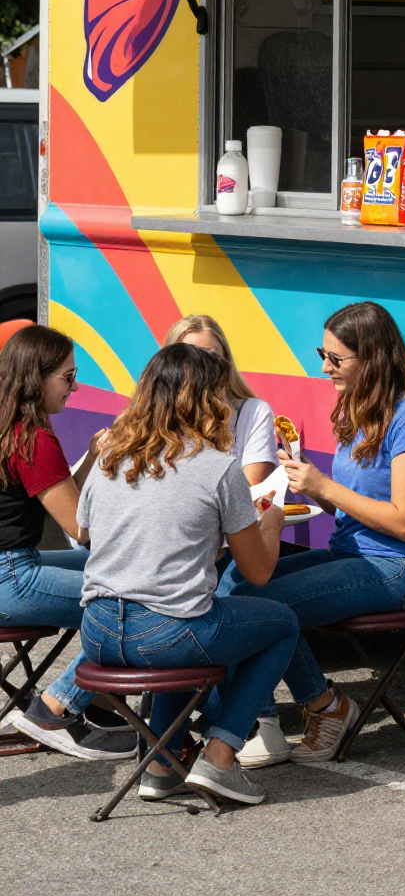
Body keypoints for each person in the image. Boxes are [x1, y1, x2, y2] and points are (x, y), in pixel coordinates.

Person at [222, 301, 405, 763]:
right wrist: (311, 485)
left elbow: (404, 522)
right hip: (352, 553)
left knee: (265, 607)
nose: (325, 367)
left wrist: (325, 486)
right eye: (321, 354)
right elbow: (354, 503)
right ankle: (258, 718)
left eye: (336, 358)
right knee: (237, 585)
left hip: (399, 567)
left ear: (374, 358)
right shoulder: (361, 409)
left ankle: (325, 707)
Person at [75, 342, 296, 805]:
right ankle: (219, 756)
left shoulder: (111, 456)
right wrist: (270, 524)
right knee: (279, 624)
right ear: (205, 400)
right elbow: (257, 571)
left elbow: (86, 533)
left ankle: (161, 762)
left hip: (96, 632)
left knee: (194, 621)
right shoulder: (218, 468)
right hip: (165, 634)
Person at [1, 324, 137, 760]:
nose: (74, 388)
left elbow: (63, 502)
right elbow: (82, 528)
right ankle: (54, 708)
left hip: (14, 565)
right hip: (13, 577)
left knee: (125, 579)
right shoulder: (34, 439)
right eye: (67, 377)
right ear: (34, 378)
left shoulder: (11, 427)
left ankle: (99, 698)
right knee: (137, 607)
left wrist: (95, 457)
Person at [165, 314, 278, 488]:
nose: (202, 366)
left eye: (211, 356)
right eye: (191, 356)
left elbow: (249, 493)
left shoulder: (253, 412)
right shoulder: (155, 412)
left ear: (225, 361)